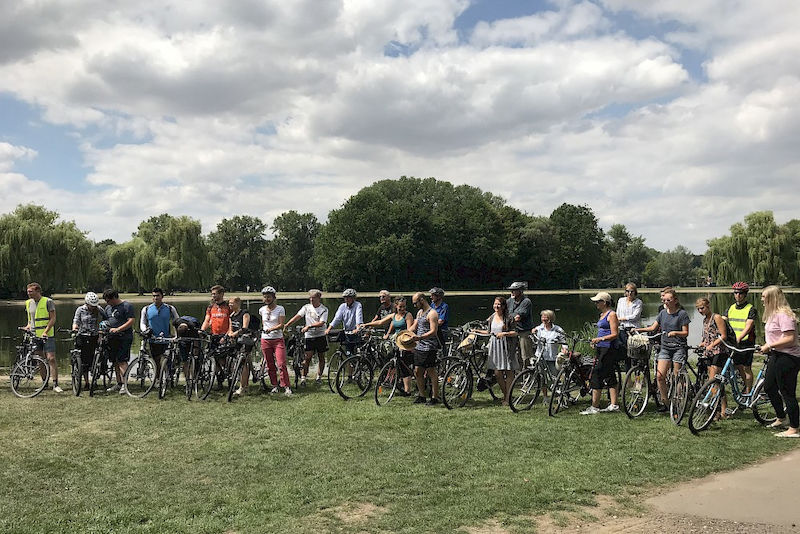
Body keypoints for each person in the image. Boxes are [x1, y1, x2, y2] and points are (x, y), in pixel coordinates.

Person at [636, 288, 690, 412]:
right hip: (665, 348)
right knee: (660, 376)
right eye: (664, 300)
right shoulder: (662, 313)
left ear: (675, 300)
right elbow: (653, 327)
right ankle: (666, 401)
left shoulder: (682, 314)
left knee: (677, 376)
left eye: (668, 300)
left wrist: (675, 332)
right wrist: (640, 330)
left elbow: (686, 333)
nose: (666, 302)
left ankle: (678, 400)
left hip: (678, 348)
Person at [758, 286, 800, 438]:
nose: (762, 300)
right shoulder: (773, 314)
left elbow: (790, 339)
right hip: (776, 355)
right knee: (769, 387)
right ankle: (781, 417)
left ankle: (794, 428)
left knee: (787, 392)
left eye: (764, 297)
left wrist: (769, 345)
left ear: (772, 298)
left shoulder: (784, 315)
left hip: (788, 357)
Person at [360, 296, 414, 395]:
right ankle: (395, 381)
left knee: (403, 364)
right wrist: (366, 325)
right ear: (396, 306)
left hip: (405, 341)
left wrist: (402, 337)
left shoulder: (408, 315)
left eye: (404, 307)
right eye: (400, 307)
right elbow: (380, 322)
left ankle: (407, 391)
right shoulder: (393, 315)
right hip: (395, 340)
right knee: (389, 357)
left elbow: (410, 330)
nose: (402, 309)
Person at [473, 296, 518, 406]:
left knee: (508, 371)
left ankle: (507, 398)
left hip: (506, 346)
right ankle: (506, 394)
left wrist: (504, 334)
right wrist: (476, 330)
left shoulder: (509, 318)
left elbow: (516, 332)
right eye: (495, 304)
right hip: (494, 346)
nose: (496, 306)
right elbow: (489, 331)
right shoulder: (492, 317)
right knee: (497, 373)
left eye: (499, 304)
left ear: (503, 306)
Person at [581, 292, 621, 414]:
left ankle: (595, 406)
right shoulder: (602, 314)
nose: (596, 303)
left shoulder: (612, 314)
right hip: (601, 347)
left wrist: (601, 339)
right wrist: (596, 342)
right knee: (609, 374)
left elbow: (615, 334)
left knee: (597, 374)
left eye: (598, 301)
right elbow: (602, 331)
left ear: (604, 302)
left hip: (608, 348)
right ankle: (614, 405)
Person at [696, 297, 732, 418]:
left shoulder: (716, 317)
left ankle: (717, 410)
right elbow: (707, 336)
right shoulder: (705, 320)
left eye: (702, 308)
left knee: (713, 381)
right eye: (698, 309)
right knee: (716, 382)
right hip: (709, 353)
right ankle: (722, 409)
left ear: (708, 306)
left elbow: (723, 335)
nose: (700, 311)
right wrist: (701, 344)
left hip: (719, 352)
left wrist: (712, 345)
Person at [284, 289, 329, 386]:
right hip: (309, 336)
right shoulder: (306, 307)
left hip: (320, 335)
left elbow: (321, 323)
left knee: (321, 357)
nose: (311, 300)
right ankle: (303, 378)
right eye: (310, 298)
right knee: (307, 357)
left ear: (318, 298)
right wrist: (287, 324)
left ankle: (319, 377)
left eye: (313, 298)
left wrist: (309, 326)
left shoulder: (324, 309)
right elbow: (298, 316)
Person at [22, 282, 61, 393]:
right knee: (40, 360)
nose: (28, 294)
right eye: (28, 291)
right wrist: (28, 327)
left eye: (31, 291)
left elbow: (53, 318)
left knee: (51, 358)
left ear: (38, 291)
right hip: (35, 335)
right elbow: (31, 320)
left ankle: (55, 384)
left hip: (47, 335)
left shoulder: (48, 301)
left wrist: (46, 331)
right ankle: (45, 383)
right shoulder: (28, 303)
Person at [724, 281, 757, 394]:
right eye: (736, 293)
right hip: (733, 342)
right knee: (738, 366)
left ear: (745, 294)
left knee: (747, 367)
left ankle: (748, 391)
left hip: (746, 342)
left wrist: (739, 337)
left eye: (741, 293)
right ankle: (745, 385)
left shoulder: (750, 309)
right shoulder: (731, 308)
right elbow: (723, 321)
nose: (738, 295)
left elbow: (748, 326)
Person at [259, 286, 292, 396]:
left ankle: (286, 386)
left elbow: (281, 324)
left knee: (281, 363)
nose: (267, 299)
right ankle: (274, 385)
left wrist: (271, 329)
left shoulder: (280, 309)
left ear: (274, 297)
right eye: (265, 297)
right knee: (269, 364)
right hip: (265, 339)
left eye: (269, 297)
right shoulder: (262, 310)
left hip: (277, 339)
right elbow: (264, 323)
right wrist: (265, 330)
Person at [139, 287, 179, 379]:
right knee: (156, 361)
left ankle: (169, 377)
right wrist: (145, 331)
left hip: (167, 339)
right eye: (154, 296)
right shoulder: (146, 309)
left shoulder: (170, 308)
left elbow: (177, 322)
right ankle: (157, 379)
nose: (155, 298)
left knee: (167, 361)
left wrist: (176, 335)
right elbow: (142, 322)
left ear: (162, 296)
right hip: (153, 339)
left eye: (157, 296)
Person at [409, 292, 440, 406]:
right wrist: (405, 334)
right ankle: (422, 396)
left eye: (415, 303)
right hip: (419, 346)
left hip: (429, 347)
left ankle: (434, 397)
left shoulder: (432, 313)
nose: (414, 305)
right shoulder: (419, 313)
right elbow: (414, 326)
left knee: (431, 371)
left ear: (422, 300)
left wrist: (420, 337)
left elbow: (433, 331)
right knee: (418, 371)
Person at [72, 291, 108, 390]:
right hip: (82, 335)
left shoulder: (100, 309)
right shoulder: (80, 310)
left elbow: (105, 321)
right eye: (91, 305)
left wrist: (101, 332)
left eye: (94, 305)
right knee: (83, 360)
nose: (93, 307)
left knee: (94, 358)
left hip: (95, 336)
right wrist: (75, 328)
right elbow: (76, 321)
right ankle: (86, 382)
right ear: (87, 303)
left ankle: (95, 378)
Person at [102, 288, 135, 394]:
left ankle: (125, 385)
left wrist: (118, 329)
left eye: (108, 300)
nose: (107, 303)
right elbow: (106, 320)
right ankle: (119, 383)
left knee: (122, 361)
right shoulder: (108, 308)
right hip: (112, 338)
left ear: (115, 297)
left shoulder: (126, 306)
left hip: (124, 337)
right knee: (115, 361)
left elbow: (131, 321)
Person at [201, 285, 233, 385]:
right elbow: (207, 320)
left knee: (225, 359)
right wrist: (202, 330)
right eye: (212, 294)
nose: (213, 296)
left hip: (225, 335)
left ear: (221, 294)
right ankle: (219, 379)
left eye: (215, 294)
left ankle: (230, 378)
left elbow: (232, 321)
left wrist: (229, 334)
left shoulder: (228, 306)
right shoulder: (211, 307)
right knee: (213, 356)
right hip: (214, 335)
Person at [325, 289, 363, 356]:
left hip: (356, 332)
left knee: (357, 353)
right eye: (345, 297)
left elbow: (358, 317)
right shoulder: (342, 306)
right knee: (348, 353)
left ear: (353, 298)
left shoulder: (358, 305)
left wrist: (357, 328)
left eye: (349, 297)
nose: (346, 299)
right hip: (347, 332)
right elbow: (337, 319)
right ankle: (350, 364)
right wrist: (329, 328)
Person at [533, 309, 566, 386]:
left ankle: (557, 392)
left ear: (551, 318)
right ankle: (545, 396)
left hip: (552, 357)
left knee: (555, 377)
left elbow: (564, 341)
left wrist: (564, 349)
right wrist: (533, 333)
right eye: (542, 317)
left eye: (546, 317)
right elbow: (534, 340)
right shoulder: (538, 329)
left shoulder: (558, 329)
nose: (544, 319)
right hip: (541, 357)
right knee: (542, 377)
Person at [227, 297, 252, 396]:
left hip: (246, 339)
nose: (230, 305)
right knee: (236, 361)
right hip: (236, 340)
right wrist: (230, 334)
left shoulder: (244, 313)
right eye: (229, 303)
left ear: (238, 303)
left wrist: (235, 333)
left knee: (243, 362)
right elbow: (230, 328)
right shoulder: (231, 315)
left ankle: (243, 387)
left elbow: (245, 327)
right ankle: (242, 383)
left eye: (232, 303)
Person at [507, 281, 533, 371]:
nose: (512, 292)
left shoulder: (526, 302)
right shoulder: (509, 301)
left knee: (525, 356)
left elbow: (518, 317)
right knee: (512, 355)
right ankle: (517, 375)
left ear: (521, 291)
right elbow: (502, 312)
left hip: (524, 331)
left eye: (514, 290)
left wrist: (509, 319)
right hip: (513, 331)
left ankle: (528, 375)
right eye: (511, 290)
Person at [429, 287, 450, 354]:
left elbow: (440, 322)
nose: (431, 297)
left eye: (433, 295)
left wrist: (430, 324)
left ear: (438, 297)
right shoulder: (432, 305)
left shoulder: (444, 307)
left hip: (441, 330)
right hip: (433, 329)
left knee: (440, 347)